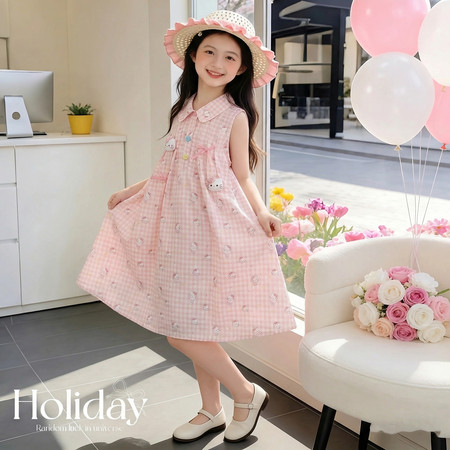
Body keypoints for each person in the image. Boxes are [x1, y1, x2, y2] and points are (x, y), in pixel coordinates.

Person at [77, 10, 296, 443]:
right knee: (194, 325)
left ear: (241, 69)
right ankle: (211, 409)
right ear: (194, 56)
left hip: (211, 229)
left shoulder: (234, 116)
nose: (217, 63)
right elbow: (169, 168)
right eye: (209, 52)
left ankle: (246, 393)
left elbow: (242, 175)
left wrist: (262, 213)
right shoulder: (183, 111)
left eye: (230, 57)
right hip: (175, 229)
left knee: (181, 332)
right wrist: (130, 191)